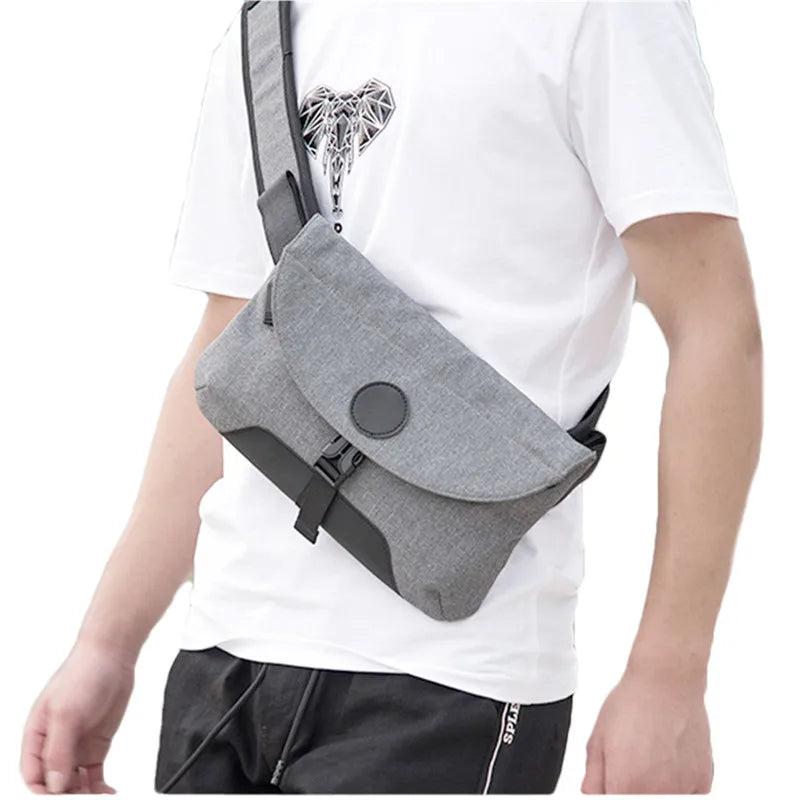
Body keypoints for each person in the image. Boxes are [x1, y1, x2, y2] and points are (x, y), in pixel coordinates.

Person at [20, 1, 762, 794]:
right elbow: (228, 344)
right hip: (226, 657)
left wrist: (669, 672)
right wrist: (107, 641)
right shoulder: (267, 27)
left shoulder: (602, 15)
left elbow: (716, 329)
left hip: (453, 677)